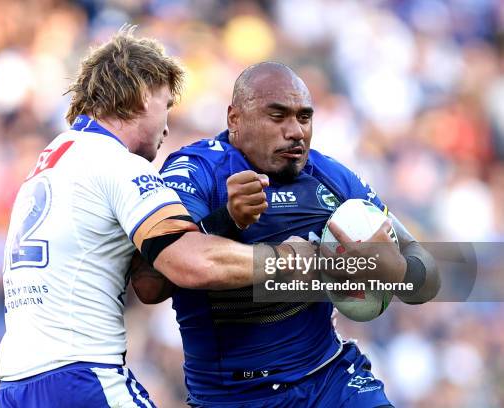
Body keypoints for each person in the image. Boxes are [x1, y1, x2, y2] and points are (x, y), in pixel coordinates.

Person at [0, 30, 299, 408]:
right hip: (80, 377)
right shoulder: (115, 163)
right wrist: (293, 261)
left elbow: (150, 278)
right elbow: (190, 263)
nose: (168, 125)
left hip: (14, 386)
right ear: (142, 94)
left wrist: (224, 220)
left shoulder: (54, 158)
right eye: (166, 104)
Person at [133, 62, 440, 407]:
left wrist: (394, 271)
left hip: (330, 381)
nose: (295, 131)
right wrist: (227, 220)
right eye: (277, 116)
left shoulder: (331, 178)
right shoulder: (198, 170)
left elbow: (426, 280)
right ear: (234, 119)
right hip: (234, 396)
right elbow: (149, 284)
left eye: (304, 118)